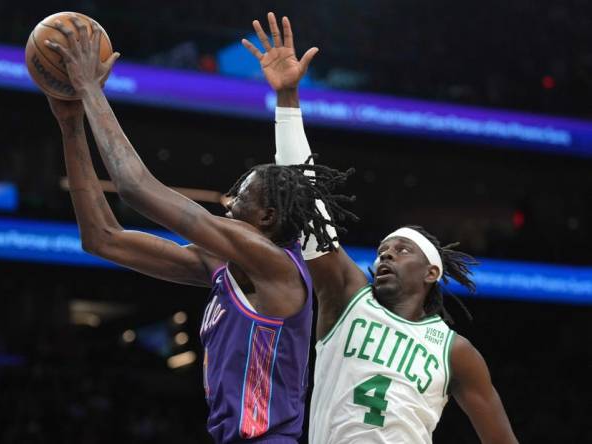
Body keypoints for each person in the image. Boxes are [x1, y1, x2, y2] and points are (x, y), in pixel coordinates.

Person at [43, 15, 355, 443]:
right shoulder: (225, 265)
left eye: (241, 196)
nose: (229, 203)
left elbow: (136, 189)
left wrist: (91, 90)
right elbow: (102, 239)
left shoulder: (273, 264)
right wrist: (71, 125)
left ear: (266, 219)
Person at [243, 12, 519, 443]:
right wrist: (288, 99)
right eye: (384, 248)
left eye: (401, 249)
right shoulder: (346, 297)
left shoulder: (456, 352)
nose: (385, 254)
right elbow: (306, 196)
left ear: (432, 273)